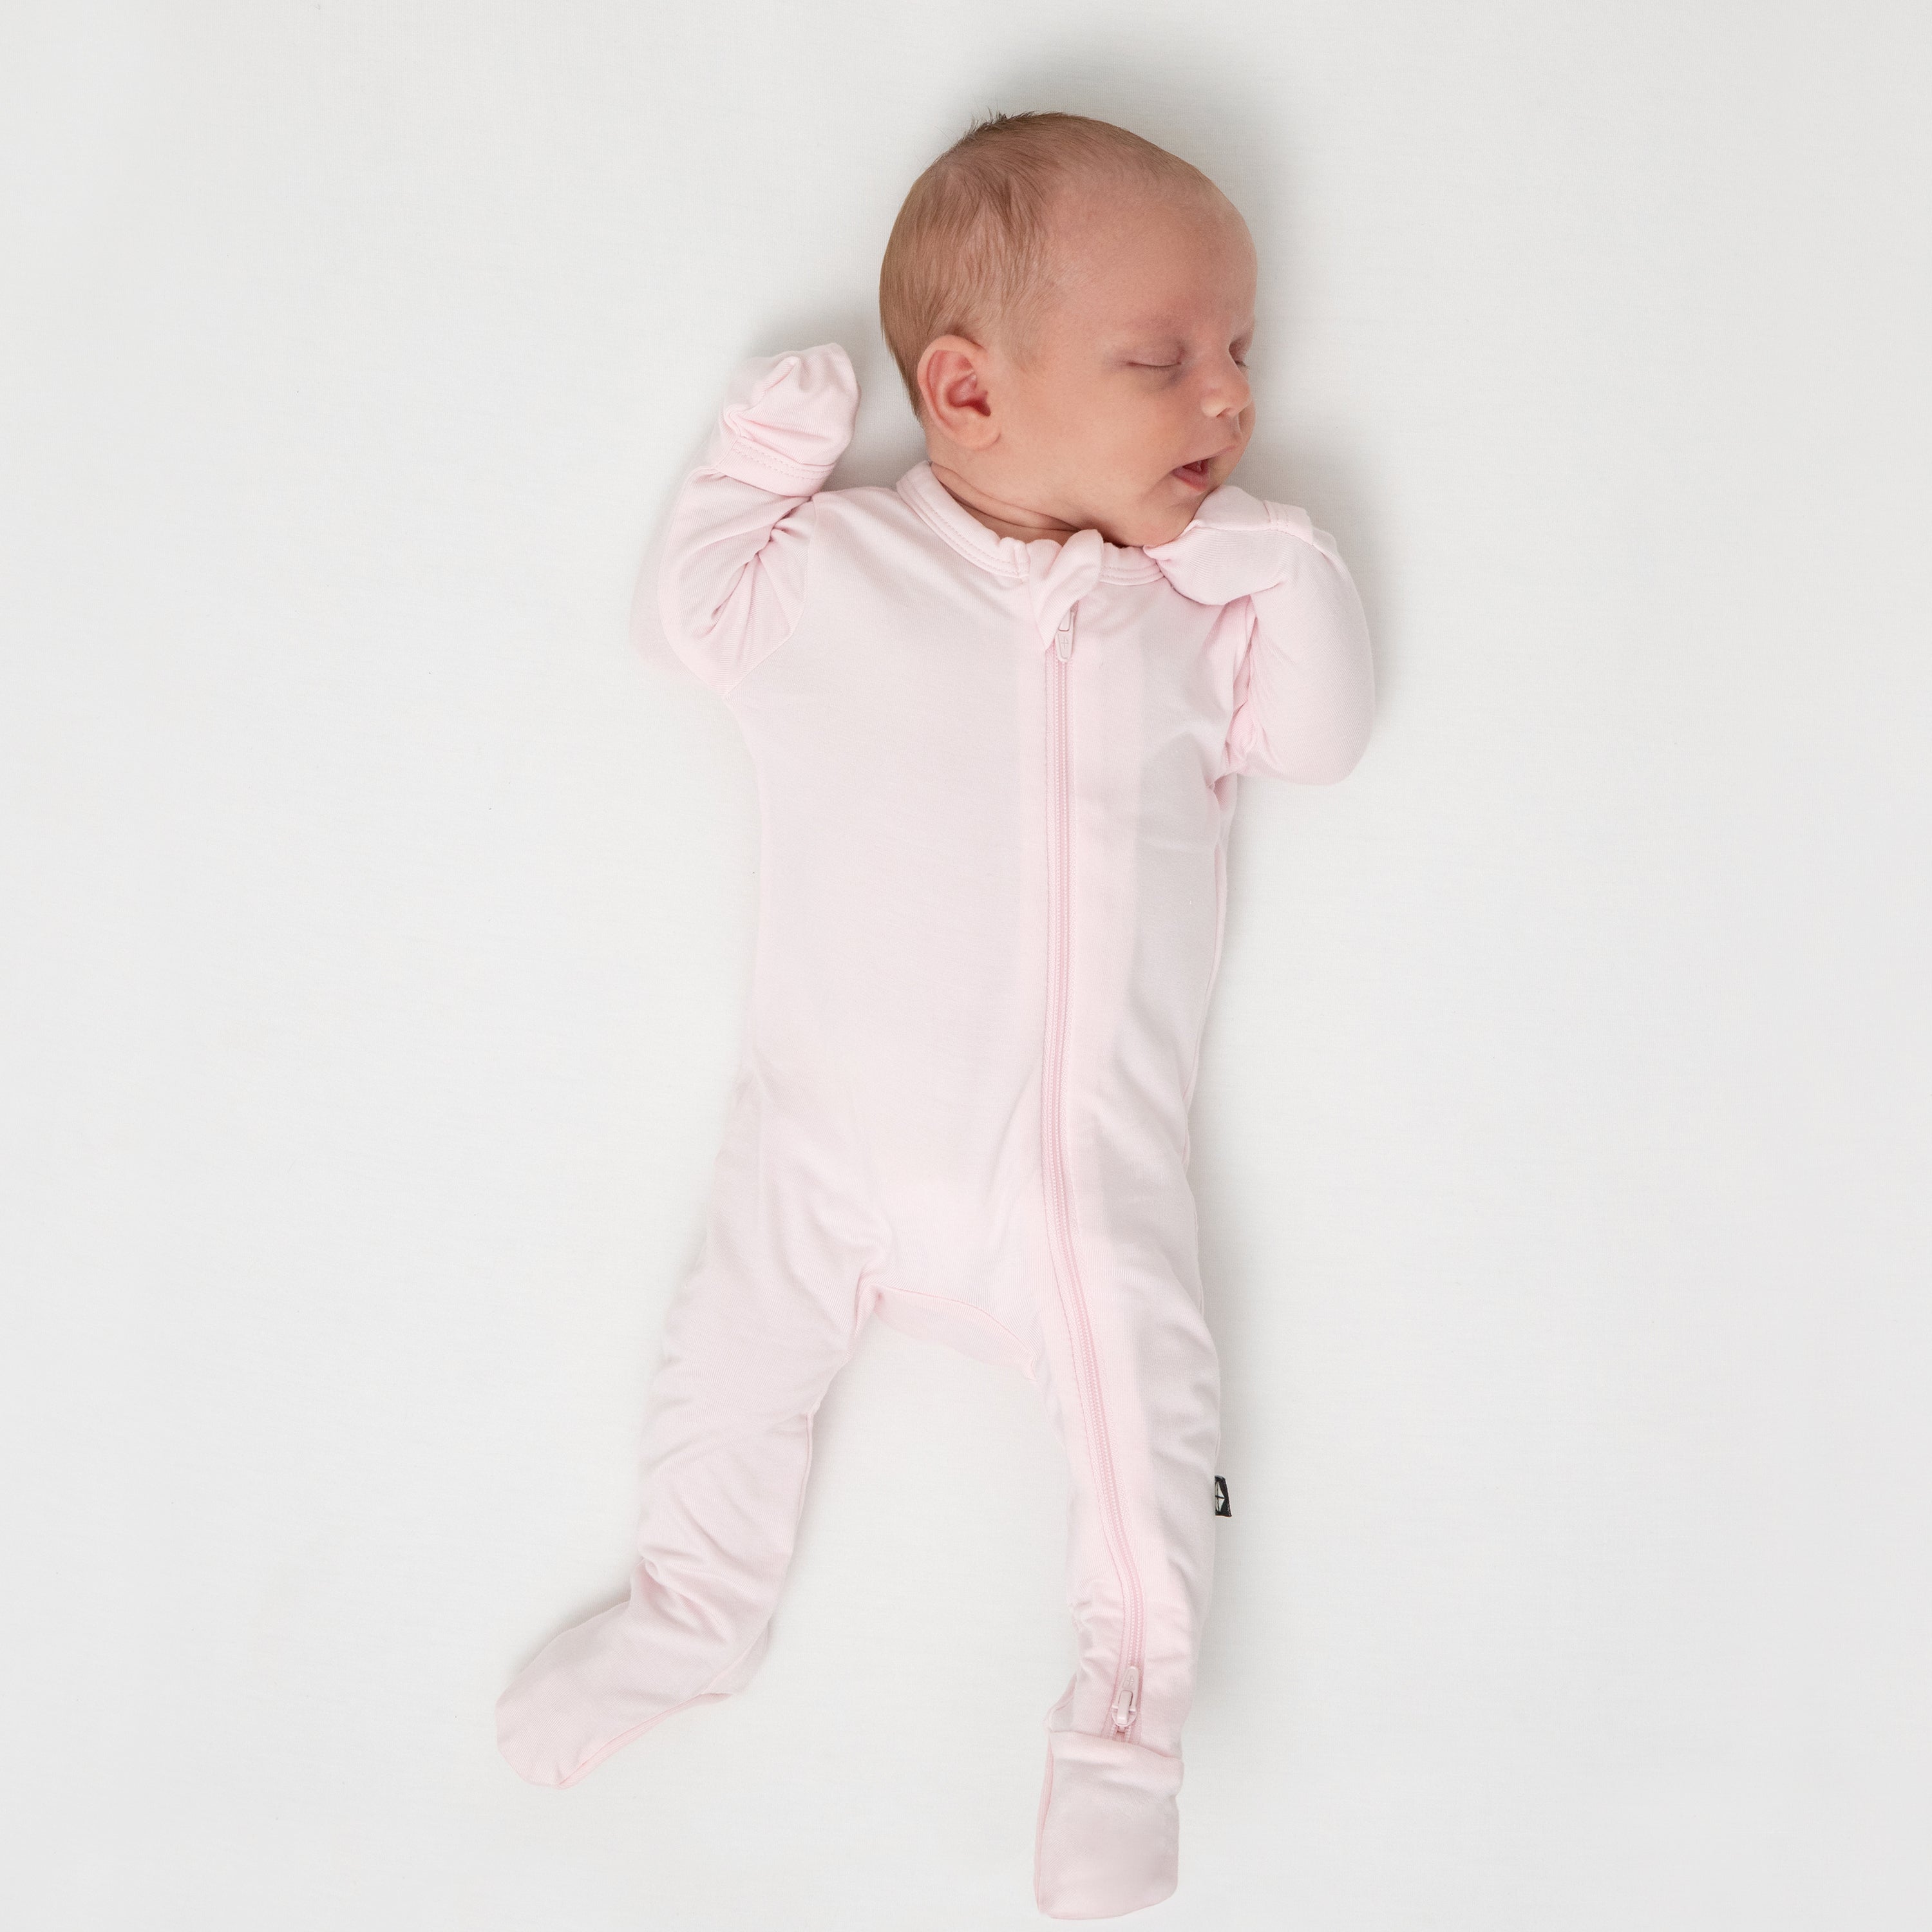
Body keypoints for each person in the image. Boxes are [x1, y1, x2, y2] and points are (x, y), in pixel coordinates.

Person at [496, 108, 1376, 1920]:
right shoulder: (836, 572)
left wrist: (1286, 565)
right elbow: (692, 614)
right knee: (728, 1372)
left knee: (1146, 1428)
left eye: (1241, 356)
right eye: (1164, 359)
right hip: (822, 1144)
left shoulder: (1183, 616)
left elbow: (1319, 739)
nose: (1226, 402)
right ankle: (690, 1613)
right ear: (966, 394)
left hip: (1076, 1181)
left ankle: (1124, 1729)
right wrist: (758, 453)